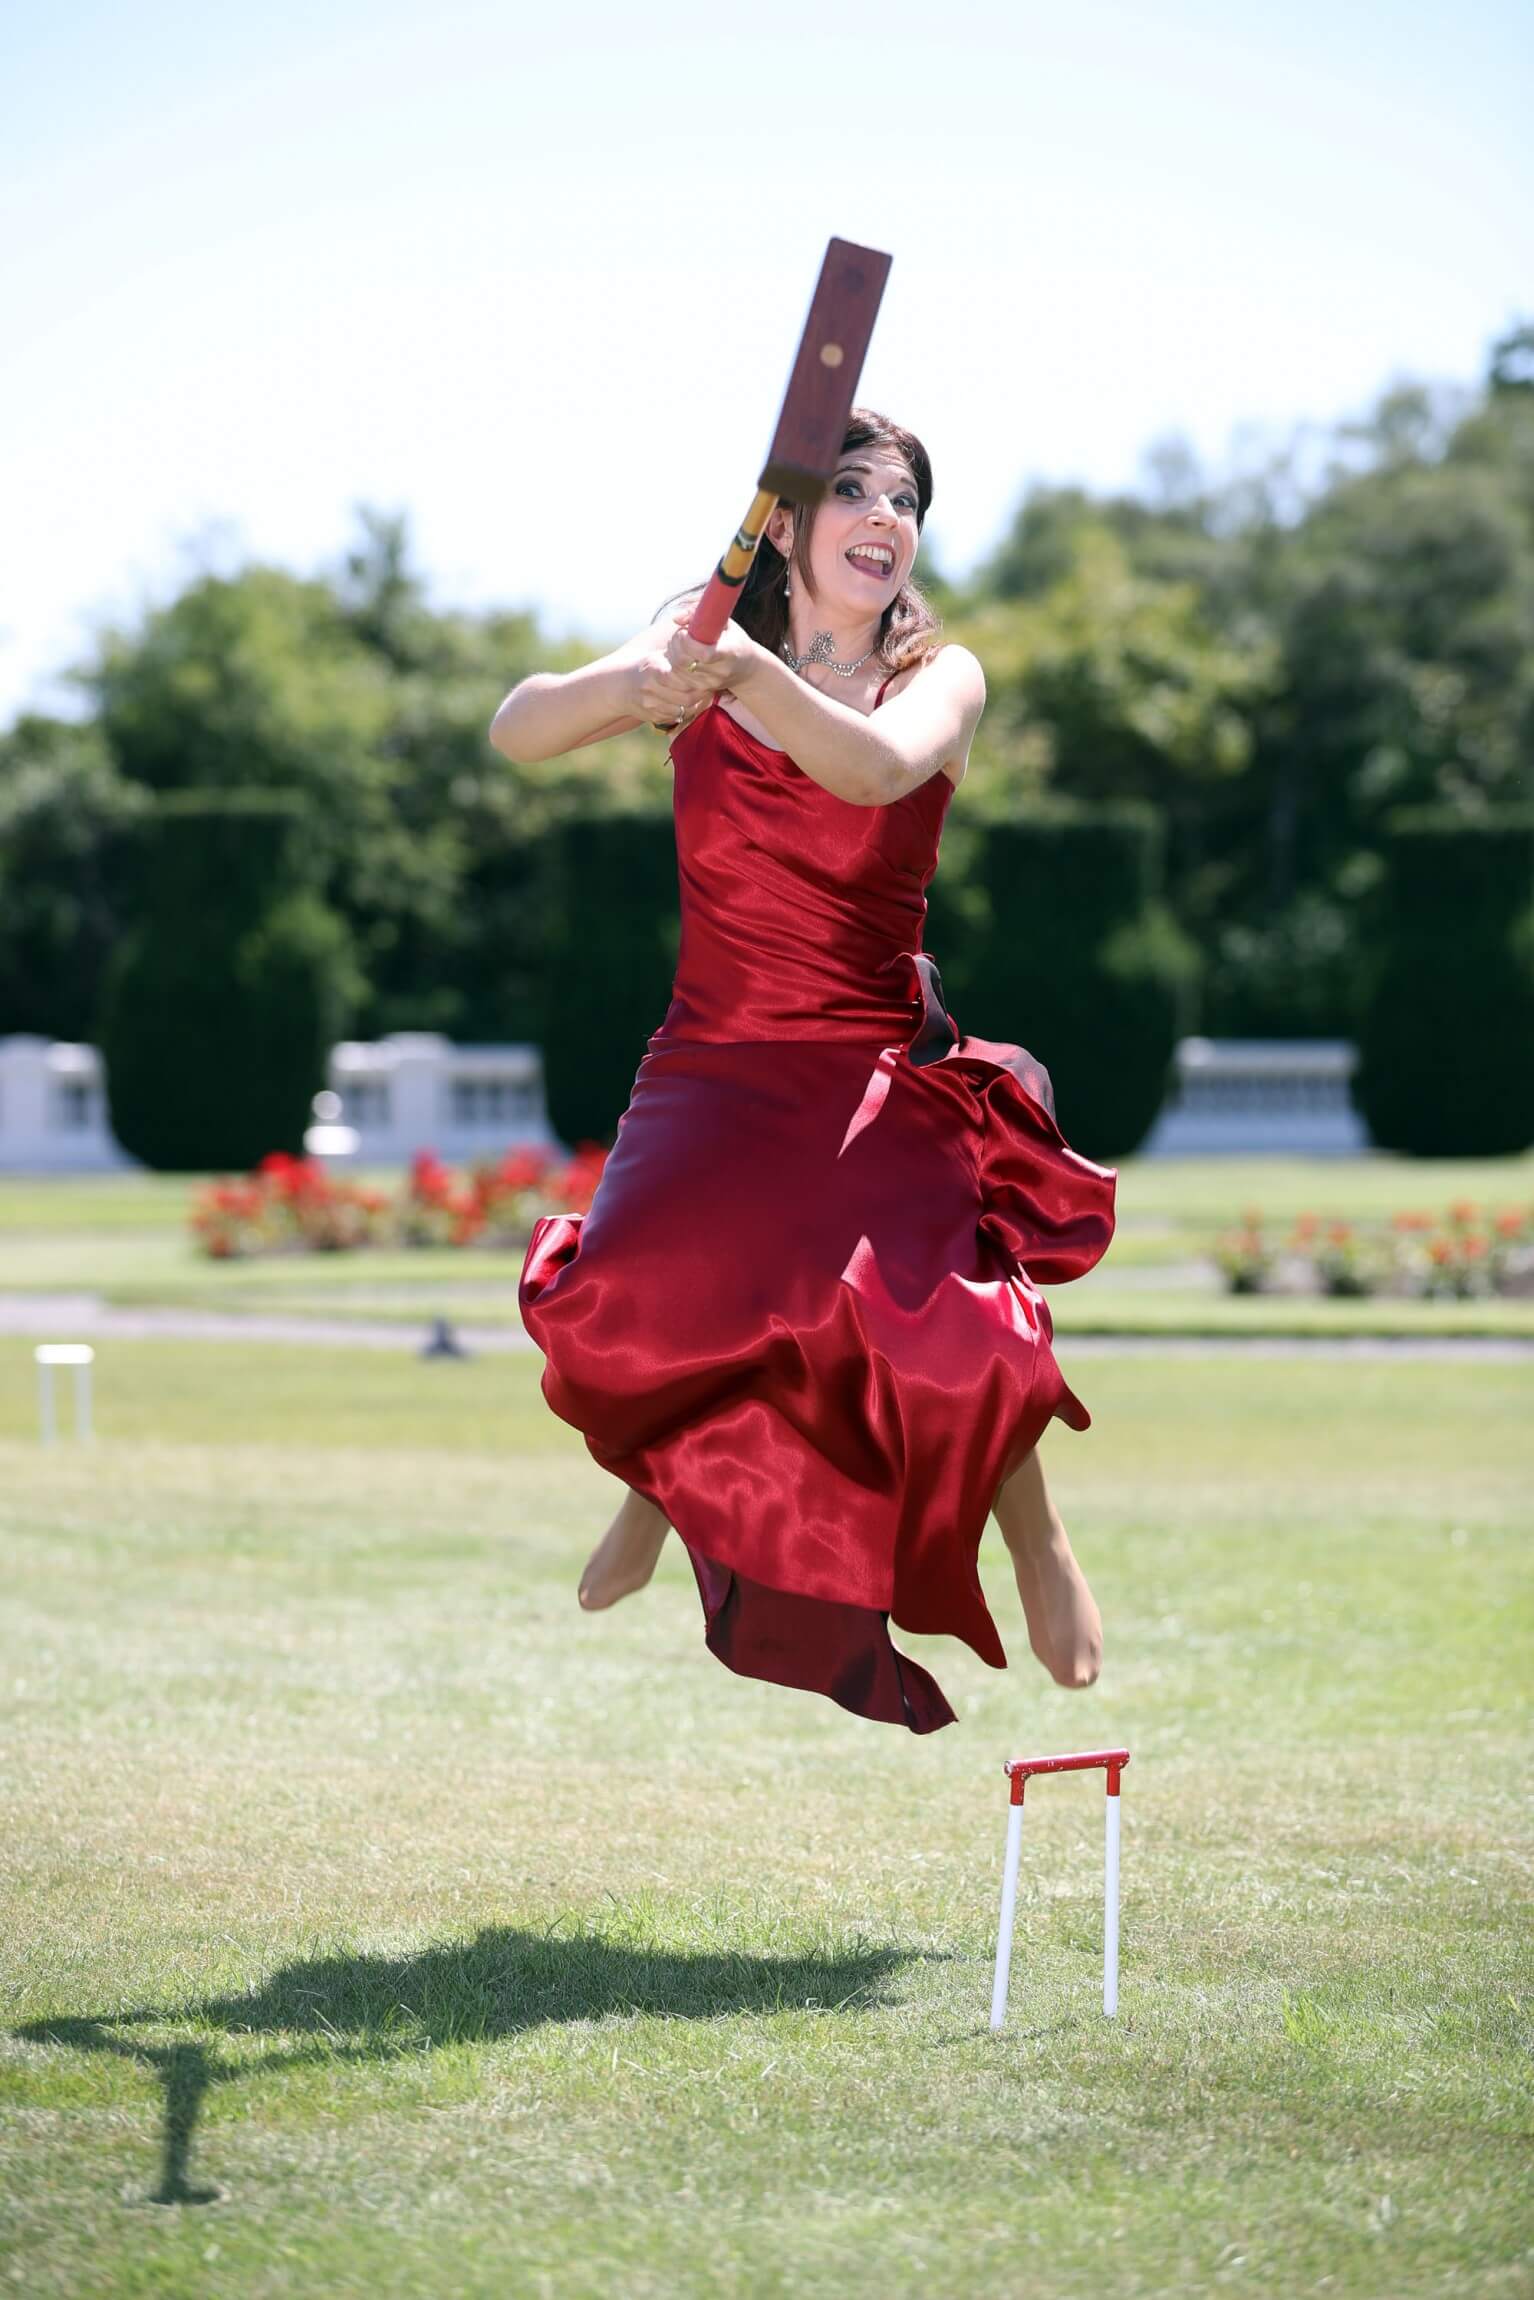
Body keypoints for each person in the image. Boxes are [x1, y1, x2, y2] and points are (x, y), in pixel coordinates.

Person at [489, 410, 1117, 1733]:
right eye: (853, 491)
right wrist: (637, 684)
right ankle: (659, 1490)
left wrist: (740, 679)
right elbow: (517, 728)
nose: (886, 517)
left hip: (868, 1055)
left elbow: (874, 772)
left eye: (907, 500)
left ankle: (1037, 1536)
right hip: (712, 1052)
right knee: (627, 1302)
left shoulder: (941, 676)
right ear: (782, 525)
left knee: (945, 1334)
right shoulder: (700, 636)